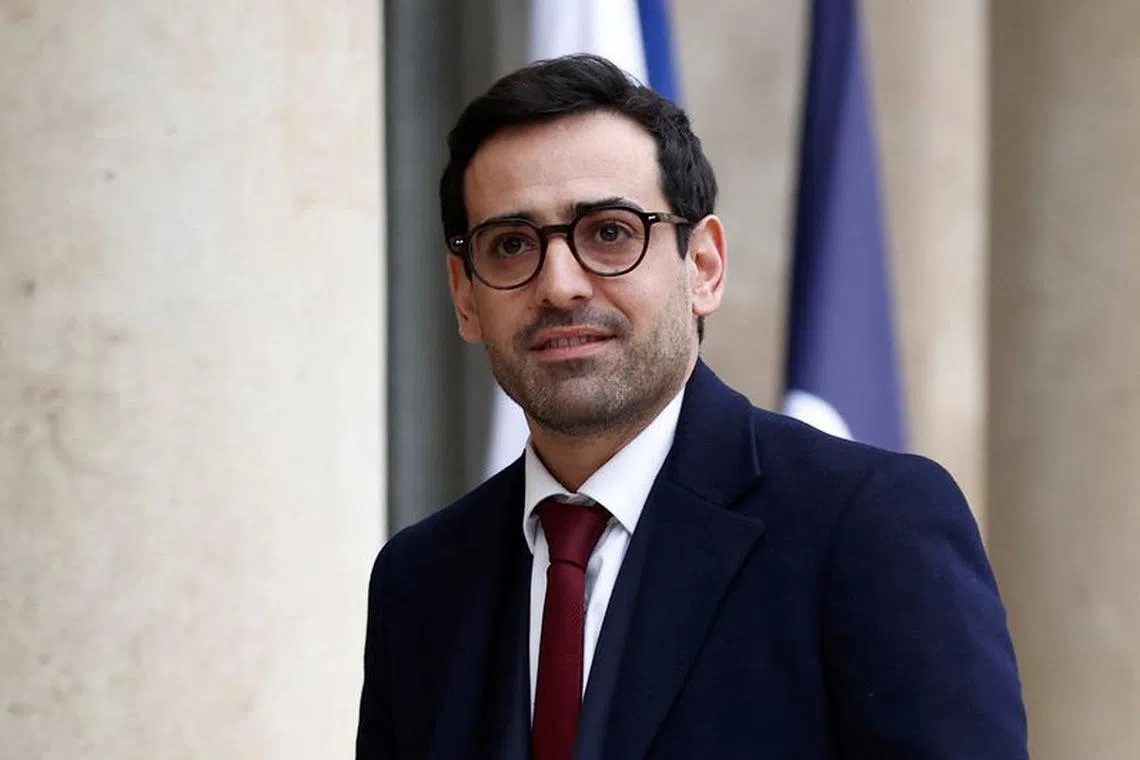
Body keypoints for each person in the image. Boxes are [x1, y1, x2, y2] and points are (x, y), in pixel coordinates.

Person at [357, 53, 1028, 759]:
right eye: (512, 244)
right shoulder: (420, 579)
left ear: (702, 266)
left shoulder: (866, 524)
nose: (559, 285)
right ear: (465, 296)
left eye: (609, 232)